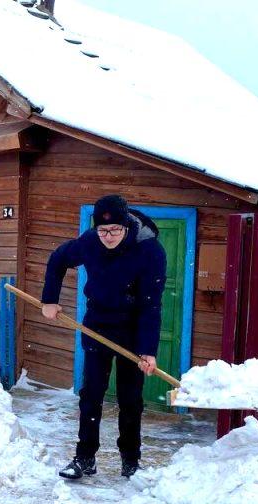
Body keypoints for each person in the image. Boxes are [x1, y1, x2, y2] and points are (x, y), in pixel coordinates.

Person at [40, 194, 167, 479]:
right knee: (91, 394)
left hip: (133, 330)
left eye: (115, 230)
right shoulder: (90, 242)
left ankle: (130, 461)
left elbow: (151, 304)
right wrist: (50, 299)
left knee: (130, 399)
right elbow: (58, 258)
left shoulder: (149, 251)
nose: (108, 236)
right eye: (103, 230)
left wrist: (147, 349)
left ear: (126, 226)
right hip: (97, 325)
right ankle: (85, 458)